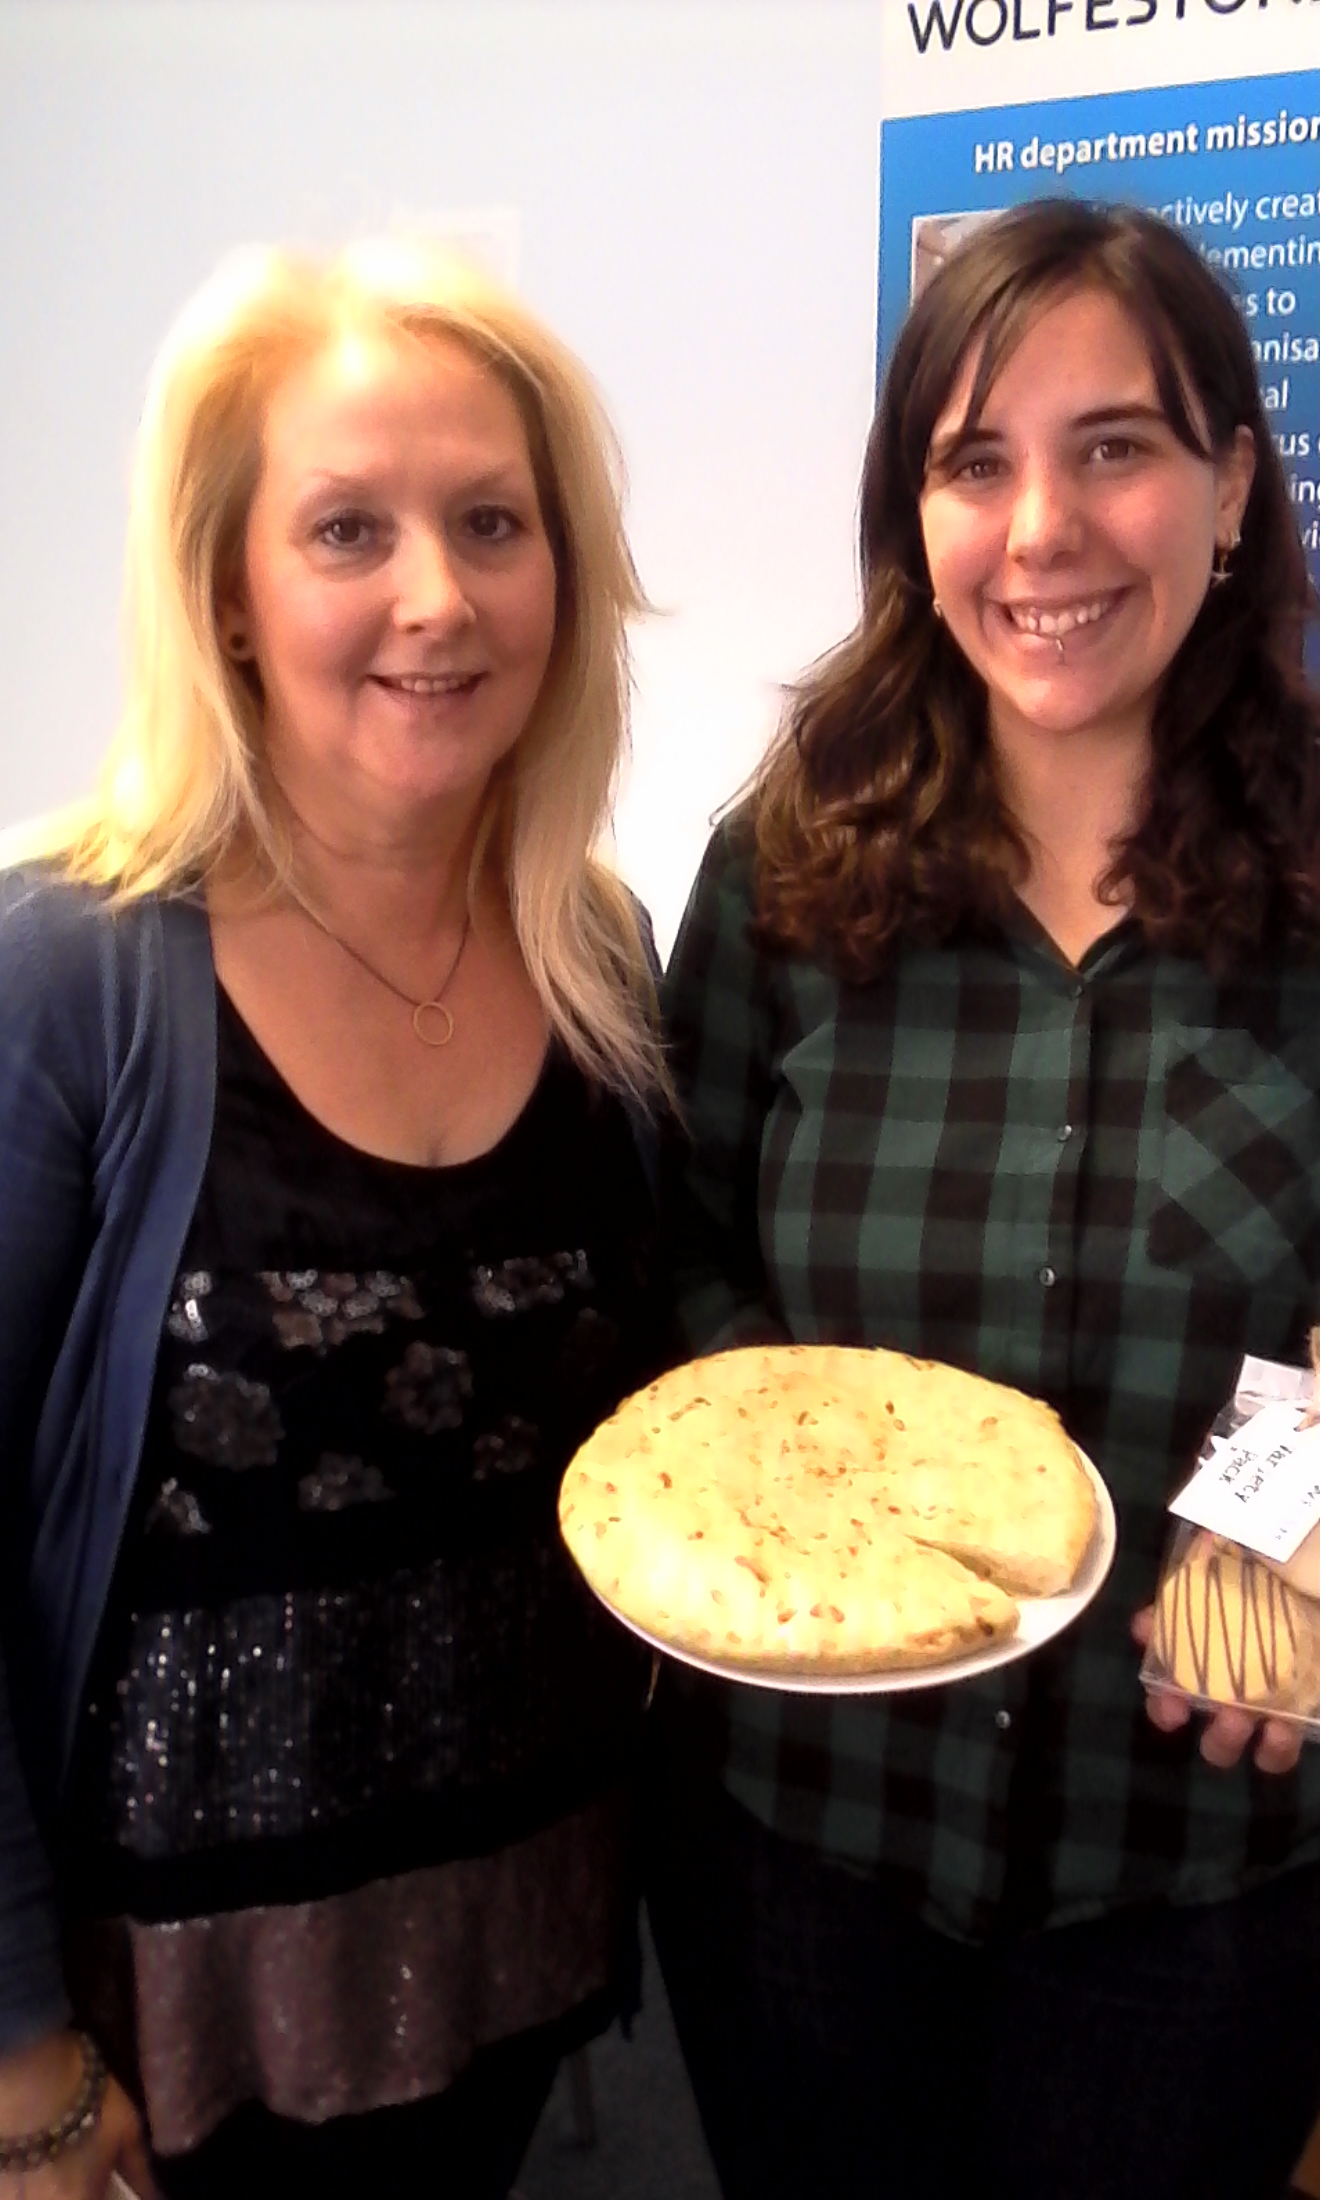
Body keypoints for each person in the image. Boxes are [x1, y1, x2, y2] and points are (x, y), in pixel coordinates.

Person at [651, 198, 1320, 2200]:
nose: (1044, 529)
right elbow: (686, 1249)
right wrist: (782, 1507)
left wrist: (1289, 1495)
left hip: (1190, 1873)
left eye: (1116, 444)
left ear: (1230, 487)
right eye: (975, 459)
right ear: (913, 514)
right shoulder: (783, 862)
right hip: (809, 1843)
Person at [0, 235, 672, 2200]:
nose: (438, 598)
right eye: (348, 528)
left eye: (491, 521)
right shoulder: (71, 975)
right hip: (158, 2024)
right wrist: (18, 2045)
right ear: (226, 583)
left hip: (509, 1951)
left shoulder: (598, 959)